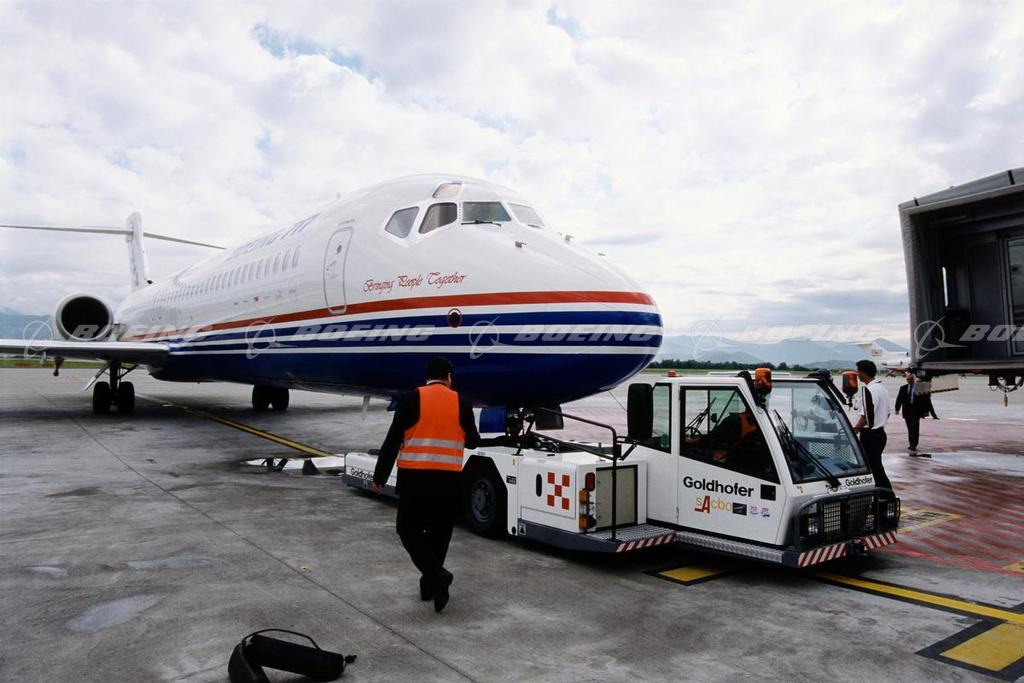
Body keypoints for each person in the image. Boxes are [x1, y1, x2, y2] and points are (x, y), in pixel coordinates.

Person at [372, 357, 480, 613]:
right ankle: (431, 583)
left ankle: (435, 577)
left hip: (414, 481)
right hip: (448, 482)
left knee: (407, 530)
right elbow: (473, 442)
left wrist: (379, 477)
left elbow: (392, 442)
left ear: (427, 377)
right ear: (449, 377)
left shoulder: (410, 399)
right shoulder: (462, 403)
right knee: (439, 535)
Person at [852, 359, 893, 490]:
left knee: (874, 468)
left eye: (858, 371)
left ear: (863, 373)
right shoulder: (881, 388)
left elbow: (866, 415)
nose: (857, 374)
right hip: (880, 433)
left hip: (870, 435)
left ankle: (887, 495)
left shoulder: (870, 390)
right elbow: (888, 413)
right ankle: (882, 495)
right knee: (875, 466)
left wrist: (854, 431)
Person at [894, 371, 938, 455]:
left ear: (914, 379)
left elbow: (927, 401)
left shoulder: (920, 387)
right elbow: (899, 399)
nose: (909, 381)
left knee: (915, 428)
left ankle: (913, 445)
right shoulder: (903, 388)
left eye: (911, 379)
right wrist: (897, 409)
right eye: (908, 379)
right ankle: (911, 443)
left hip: (916, 411)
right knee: (909, 428)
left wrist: (932, 413)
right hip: (907, 411)